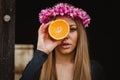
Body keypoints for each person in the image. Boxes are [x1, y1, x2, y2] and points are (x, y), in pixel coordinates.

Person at [20, 2, 104, 80]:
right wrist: (41, 51)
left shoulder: (94, 69)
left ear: (80, 34)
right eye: (59, 29)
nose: (65, 36)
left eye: (72, 29)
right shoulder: (38, 68)